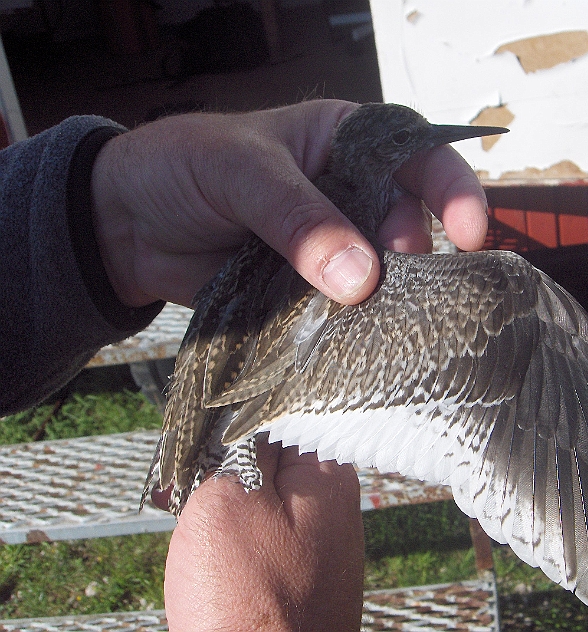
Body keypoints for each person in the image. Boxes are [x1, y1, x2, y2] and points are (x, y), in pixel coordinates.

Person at [0, 99, 490, 631]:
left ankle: (199, 455)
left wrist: (110, 214)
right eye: (399, 143)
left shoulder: (361, 197)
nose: (415, 148)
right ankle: (197, 458)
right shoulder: (344, 202)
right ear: (370, 155)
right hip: (232, 367)